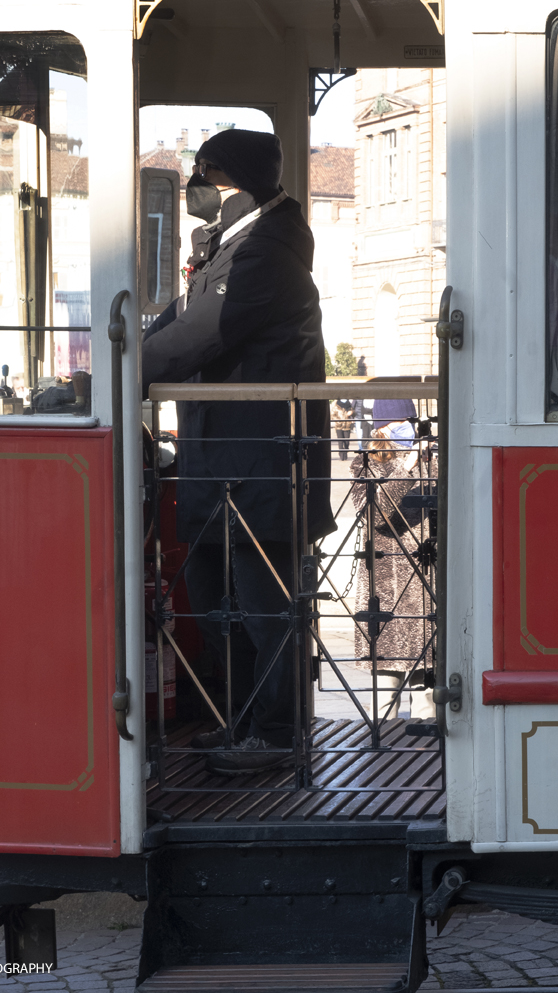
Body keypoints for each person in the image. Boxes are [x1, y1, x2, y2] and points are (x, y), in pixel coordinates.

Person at [142, 128, 335, 774]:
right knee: (220, 601)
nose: (198, 189)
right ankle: (243, 722)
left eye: (207, 176)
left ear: (235, 183)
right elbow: (176, 323)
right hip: (222, 460)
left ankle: (275, 733)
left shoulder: (265, 250)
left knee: (262, 608)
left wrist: (119, 376)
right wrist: (114, 366)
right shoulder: (234, 245)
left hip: (258, 466)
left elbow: (203, 334)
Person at [350, 428, 436, 720]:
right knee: (384, 701)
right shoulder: (367, 462)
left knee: (427, 701)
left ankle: (426, 759)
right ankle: (382, 758)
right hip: (387, 595)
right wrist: (406, 466)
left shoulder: (435, 459)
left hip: (427, 590)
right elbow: (375, 514)